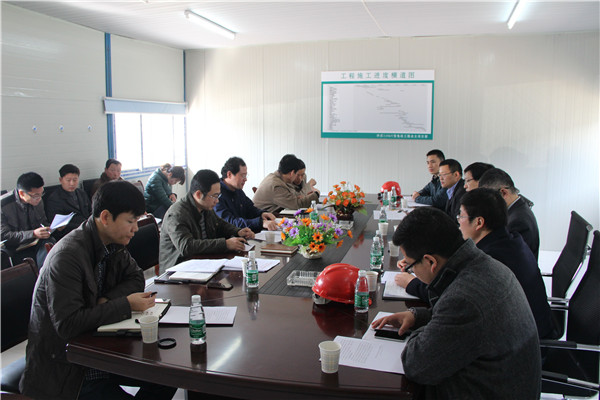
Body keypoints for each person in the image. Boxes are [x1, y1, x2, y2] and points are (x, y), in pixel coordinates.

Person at [19, 181, 176, 400]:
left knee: (170, 376)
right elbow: (67, 324)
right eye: (131, 221)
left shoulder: (113, 242)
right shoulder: (67, 256)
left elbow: (135, 277)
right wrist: (125, 304)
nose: (135, 228)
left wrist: (107, 300)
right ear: (105, 217)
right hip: (69, 367)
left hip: (100, 346)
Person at [372, 207, 541, 399]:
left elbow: (416, 365)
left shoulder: (464, 299)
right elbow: (462, 322)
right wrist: (417, 316)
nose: (412, 272)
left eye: (410, 266)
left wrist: (423, 333)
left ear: (430, 262)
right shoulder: (485, 264)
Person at [397, 189, 556, 339]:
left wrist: (412, 283)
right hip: (526, 329)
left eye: (461, 216)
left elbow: (453, 298)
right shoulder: (509, 240)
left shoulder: (488, 260)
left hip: (528, 339)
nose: (458, 222)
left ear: (479, 222)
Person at [159, 169, 254, 271]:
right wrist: (225, 244)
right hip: (177, 270)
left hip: (201, 263)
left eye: (218, 195)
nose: (217, 201)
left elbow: (219, 224)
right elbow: (187, 247)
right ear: (199, 194)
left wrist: (238, 231)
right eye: (214, 196)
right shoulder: (177, 214)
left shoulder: (204, 206)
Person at [478, 167, 540, 259]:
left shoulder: (518, 222)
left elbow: (508, 258)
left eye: (488, 198)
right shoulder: (518, 209)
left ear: (503, 193)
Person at [1, 172, 55, 267]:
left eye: (41, 193)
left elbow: (43, 222)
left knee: (51, 245)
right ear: (22, 193)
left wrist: (48, 228)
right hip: (16, 246)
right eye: (36, 195)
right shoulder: (3, 205)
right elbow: (4, 236)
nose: (39, 198)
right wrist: (33, 233)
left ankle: (47, 272)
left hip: (36, 241)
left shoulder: (38, 200)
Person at [214, 157, 278, 232]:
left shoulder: (237, 190)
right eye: (243, 175)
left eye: (246, 175)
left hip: (245, 233)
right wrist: (261, 223)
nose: (245, 179)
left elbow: (250, 208)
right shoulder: (216, 194)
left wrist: (262, 214)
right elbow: (230, 223)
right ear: (229, 174)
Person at [253, 154, 320, 213]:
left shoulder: (276, 177)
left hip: (270, 215)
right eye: (297, 174)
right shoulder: (276, 186)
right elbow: (297, 204)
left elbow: (293, 197)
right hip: (262, 219)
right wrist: (316, 194)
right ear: (292, 173)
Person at [45, 164, 92, 240]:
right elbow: (57, 225)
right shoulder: (54, 199)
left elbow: (90, 210)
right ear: (61, 180)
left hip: (87, 227)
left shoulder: (81, 193)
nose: (72, 183)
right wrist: (84, 226)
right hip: (69, 233)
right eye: (68, 180)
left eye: (75, 180)